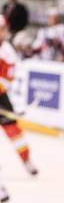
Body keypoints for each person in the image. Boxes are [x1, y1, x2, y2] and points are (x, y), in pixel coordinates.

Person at [0, 15, 38, 183]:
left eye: (2, 29)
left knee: (13, 130)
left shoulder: (7, 51)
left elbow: (9, 78)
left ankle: (26, 159)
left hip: (0, 96)